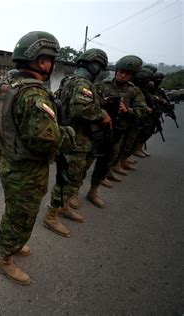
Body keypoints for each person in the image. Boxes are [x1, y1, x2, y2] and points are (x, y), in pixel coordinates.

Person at [0, 31, 69, 285]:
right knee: (21, 214)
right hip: (25, 168)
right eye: (50, 59)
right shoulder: (33, 94)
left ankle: (12, 244)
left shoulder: (6, 86)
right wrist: (66, 135)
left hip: (10, 160)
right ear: (41, 61)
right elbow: (45, 139)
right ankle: (5, 257)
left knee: (15, 211)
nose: (51, 63)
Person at [43, 48, 111, 237]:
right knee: (68, 180)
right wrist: (102, 114)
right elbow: (81, 110)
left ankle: (63, 207)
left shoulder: (68, 81)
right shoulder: (82, 84)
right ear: (96, 66)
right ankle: (51, 215)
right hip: (76, 142)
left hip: (76, 140)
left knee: (73, 178)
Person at [89, 55, 146, 207]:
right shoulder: (101, 86)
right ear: (116, 71)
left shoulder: (134, 91)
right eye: (121, 72)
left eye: (127, 73)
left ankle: (93, 191)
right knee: (84, 163)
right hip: (97, 131)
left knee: (105, 164)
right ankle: (73, 195)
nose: (123, 75)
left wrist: (128, 110)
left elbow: (142, 111)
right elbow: (89, 104)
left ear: (132, 75)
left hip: (117, 133)